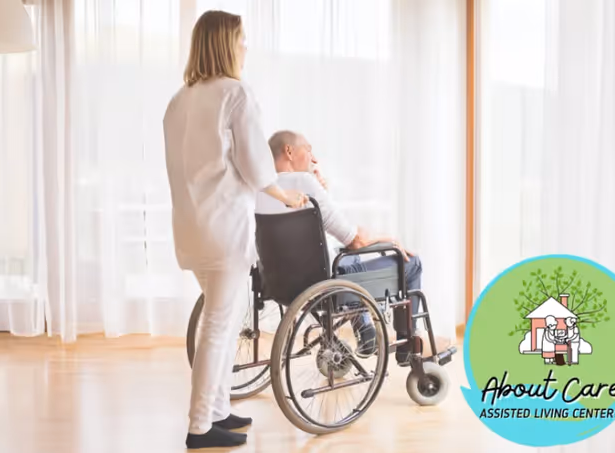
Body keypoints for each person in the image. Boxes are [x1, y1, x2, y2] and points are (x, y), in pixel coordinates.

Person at [163, 11, 309, 450]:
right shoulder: (235, 94)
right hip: (223, 230)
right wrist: (287, 196)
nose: (246, 47)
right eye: (241, 40)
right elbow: (256, 166)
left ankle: (218, 409)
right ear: (226, 44)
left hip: (191, 228)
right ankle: (199, 427)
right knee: (218, 325)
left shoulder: (178, 101)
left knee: (223, 321)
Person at [254, 130, 424, 365]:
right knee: (411, 263)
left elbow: (308, 240)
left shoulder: (261, 188)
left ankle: (366, 333)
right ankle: (408, 348)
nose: (314, 159)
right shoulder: (304, 183)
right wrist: (390, 239)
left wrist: (322, 192)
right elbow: (355, 239)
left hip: (278, 283)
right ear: (289, 151)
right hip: (323, 286)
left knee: (349, 257)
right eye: (309, 150)